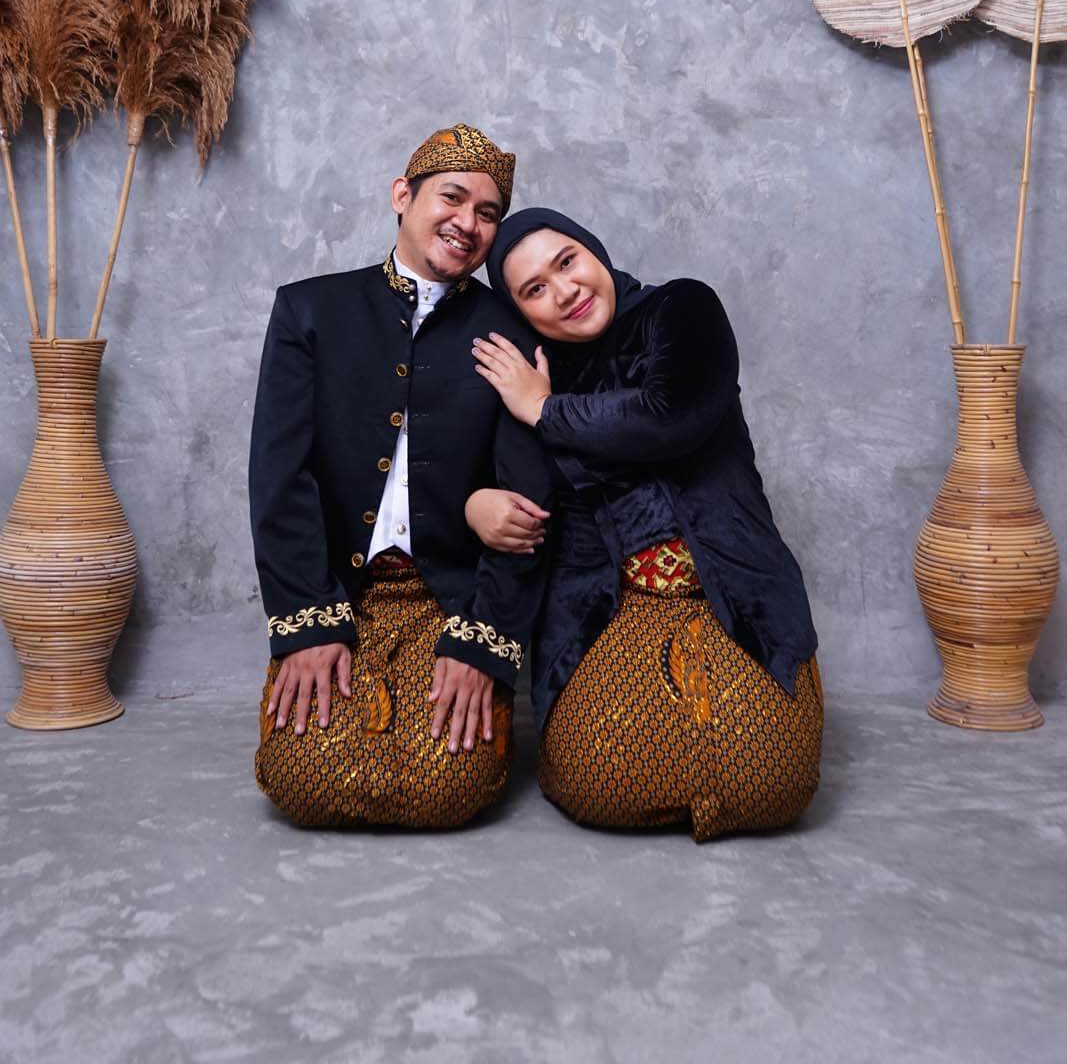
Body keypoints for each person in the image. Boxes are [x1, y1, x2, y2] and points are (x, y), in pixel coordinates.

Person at [466, 208, 822, 842]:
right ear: (523, 313)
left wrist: (545, 411)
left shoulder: (679, 309)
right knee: (600, 781)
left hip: (731, 594)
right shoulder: (533, 373)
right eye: (535, 290)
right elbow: (502, 482)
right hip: (605, 610)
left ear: (594, 250)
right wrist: (476, 502)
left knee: (771, 783)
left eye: (567, 262)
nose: (565, 291)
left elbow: (670, 416)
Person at [249, 125, 552, 829]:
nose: (468, 222)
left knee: (449, 786)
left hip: (455, 596)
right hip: (337, 590)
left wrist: (482, 643)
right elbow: (279, 478)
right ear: (401, 196)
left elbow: (527, 508)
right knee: (304, 779)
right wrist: (307, 624)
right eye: (453, 198)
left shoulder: (511, 329)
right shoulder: (308, 310)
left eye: (487, 213)